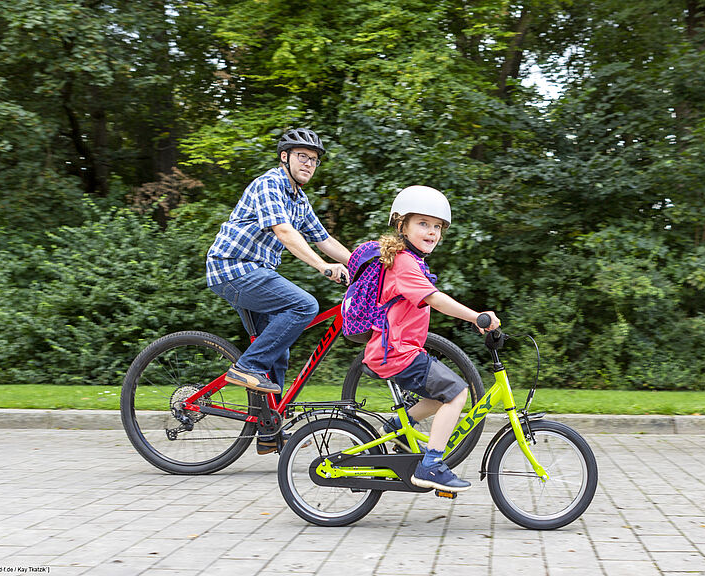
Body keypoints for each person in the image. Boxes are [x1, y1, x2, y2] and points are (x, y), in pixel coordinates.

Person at [206, 127, 351, 454]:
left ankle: (268, 429)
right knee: (304, 306)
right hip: (234, 267)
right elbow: (285, 232)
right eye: (303, 157)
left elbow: (323, 239)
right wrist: (321, 267)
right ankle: (244, 368)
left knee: (278, 351)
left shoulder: (299, 200)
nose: (309, 164)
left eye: (314, 160)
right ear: (284, 157)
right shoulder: (269, 184)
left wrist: (364, 263)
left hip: (255, 271)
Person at [363, 185, 501, 492]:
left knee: (440, 394)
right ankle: (431, 465)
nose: (432, 232)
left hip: (398, 350)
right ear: (402, 226)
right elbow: (436, 300)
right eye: (423, 224)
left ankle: (397, 428)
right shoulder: (405, 263)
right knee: (456, 392)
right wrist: (476, 316)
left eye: (437, 227)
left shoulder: (409, 261)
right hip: (396, 352)